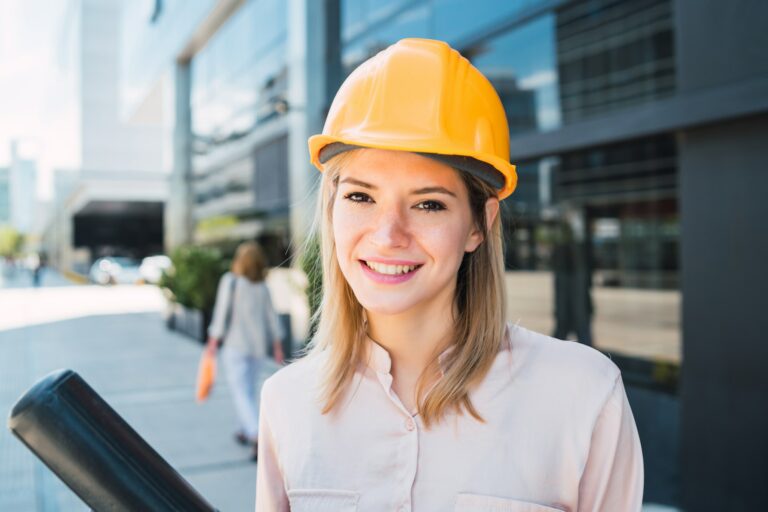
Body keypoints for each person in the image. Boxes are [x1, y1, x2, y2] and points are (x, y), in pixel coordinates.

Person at [256, 39, 643, 511]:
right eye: (361, 196)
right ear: (332, 207)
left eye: (428, 204)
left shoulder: (583, 394)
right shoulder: (287, 403)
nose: (388, 235)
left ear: (480, 225)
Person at [206, 241, 284, 461]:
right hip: (258, 348)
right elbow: (272, 318)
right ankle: (243, 430)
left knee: (240, 392)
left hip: (235, 346)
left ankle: (255, 434)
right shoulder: (262, 287)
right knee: (248, 390)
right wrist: (277, 346)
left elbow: (221, 314)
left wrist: (213, 340)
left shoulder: (230, 282)